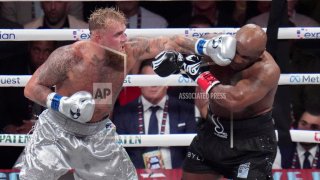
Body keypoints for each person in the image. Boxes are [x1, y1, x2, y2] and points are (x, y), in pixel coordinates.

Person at [16, 7, 230, 179]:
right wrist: (62, 103)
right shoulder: (69, 56)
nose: (124, 38)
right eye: (118, 34)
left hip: (97, 133)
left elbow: (168, 42)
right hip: (57, 130)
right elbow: (32, 87)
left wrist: (204, 46)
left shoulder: (127, 52)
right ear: (98, 38)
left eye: (124, 32)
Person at [152, 24, 280, 179]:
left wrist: (199, 75)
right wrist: (173, 57)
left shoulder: (267, 70)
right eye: (236, 51)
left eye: (245, 57)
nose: (237, 59)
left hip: (251, 145)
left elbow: (233, 100)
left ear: (259, 55)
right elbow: (178, 41)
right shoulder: (217, 45)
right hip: (213, 134)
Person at [112, 59, 197, 169]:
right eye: (147, 79)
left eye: (158, 79)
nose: (153, 85)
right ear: (139, 84)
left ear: (167, 83)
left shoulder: (185, 110)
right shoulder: (124, 113)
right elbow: (119, 155)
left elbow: (193, 153)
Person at [273, 104, 320, 169]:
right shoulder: (280, 150)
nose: (307, 130)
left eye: (314, 127)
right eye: (303, 124)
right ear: (297, 124)